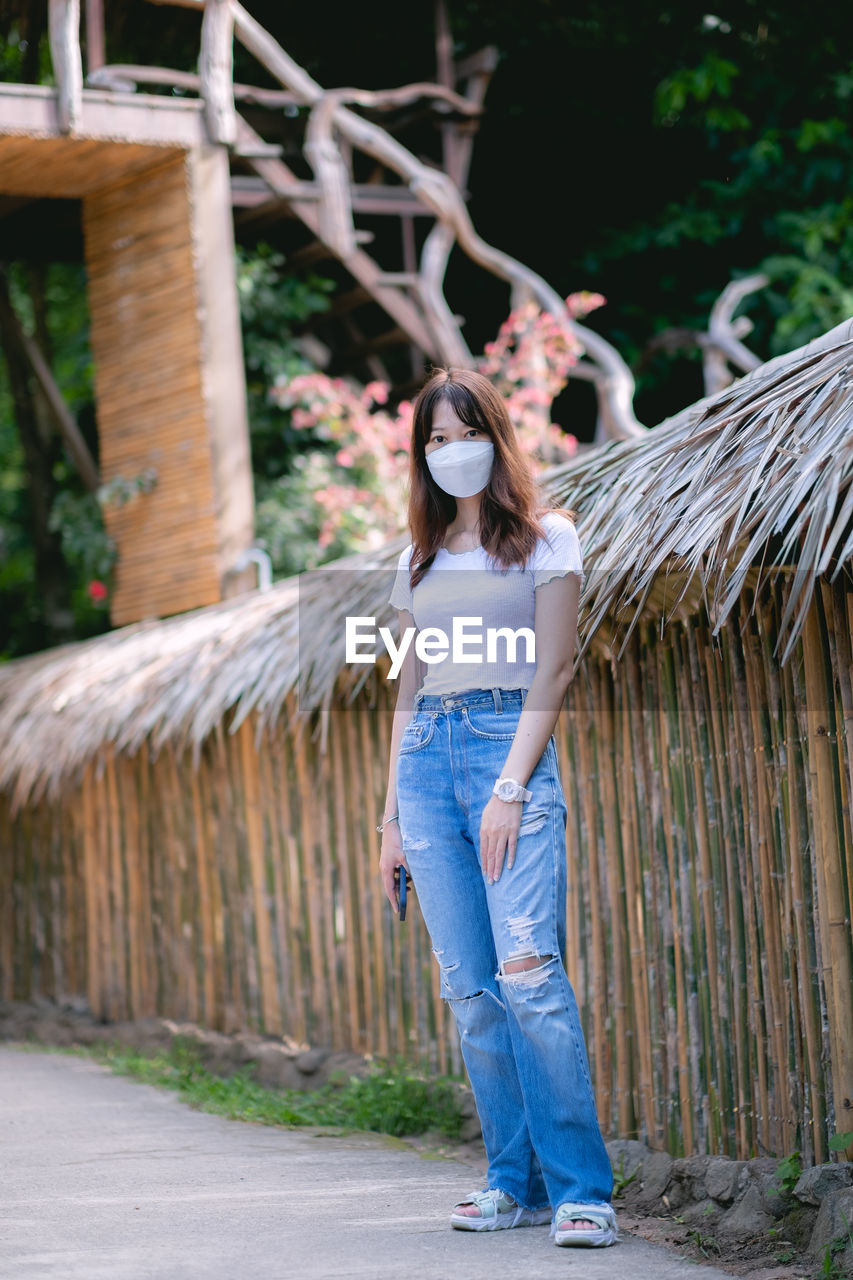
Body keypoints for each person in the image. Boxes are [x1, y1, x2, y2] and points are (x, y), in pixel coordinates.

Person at [378, 368, 617, 1248]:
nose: (449, 451)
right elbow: (406, 684)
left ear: (495, 435)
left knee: (528, 977)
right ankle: (506, 1182)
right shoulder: (419, 558)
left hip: (503, 749)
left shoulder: (547, 538)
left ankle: (582, 1189)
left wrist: (511, 787)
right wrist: (390, 821)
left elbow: (553, 670)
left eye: (461, 432)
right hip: (424, 766)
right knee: (471, 992)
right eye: (433, 440)